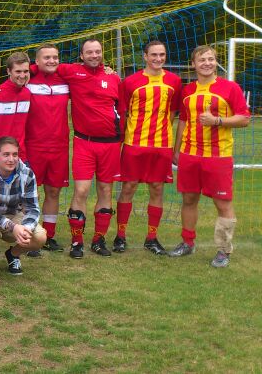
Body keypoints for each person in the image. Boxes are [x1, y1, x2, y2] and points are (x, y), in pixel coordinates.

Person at [170, 45, 250, 267]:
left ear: (216, 62)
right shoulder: (187, 90)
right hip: (189, 154)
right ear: (193, 64)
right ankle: (187, 243)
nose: (207, 63)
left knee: (222, 203)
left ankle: (224, 250)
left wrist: (218, 121)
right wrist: (177, 150)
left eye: (211, 59)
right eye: (202, 59)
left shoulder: (230, 88)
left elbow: (244, 118)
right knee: (188, 199)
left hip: (218, 156)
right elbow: (183, 121)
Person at [115, 41, 182, 255]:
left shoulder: (174, 81)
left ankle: (151, 238)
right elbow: (124, 113)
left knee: (157, 189)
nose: (158, 58)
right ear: (145, 56)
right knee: (128, 188)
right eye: (153, 54)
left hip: (161, 145)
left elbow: (172, 113)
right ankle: (120, 235)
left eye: (162, 54)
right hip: (135, 144)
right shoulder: (130, 82)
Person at [58, 39, 121, 259]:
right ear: (82, 56)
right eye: (89, 52)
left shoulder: (113, 78)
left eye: (97, 51)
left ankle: (99, 239)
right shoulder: (72, 72)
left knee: (105, 190)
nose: (94, 55)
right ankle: (77, 242)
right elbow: (42, 66)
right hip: (84, 142)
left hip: (111, 145)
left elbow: (121, 109)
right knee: (82, 190)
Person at [0, 136, 46, 277]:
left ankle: (13, 255)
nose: (11, 159)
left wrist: (26, 228)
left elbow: (33, 208)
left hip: (11, 213)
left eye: (15, 154)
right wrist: (13, 226)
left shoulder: (27, 173)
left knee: (39, 237)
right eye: (6, 154)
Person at [24, 44, 69, 253]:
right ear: (37, 61)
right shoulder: (28, 79)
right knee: (31, 194)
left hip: (59, 147)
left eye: (55, 57)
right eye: (47, 58)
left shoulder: (65, 80)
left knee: (53, 191)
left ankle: (49, 236)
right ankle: (31, 236)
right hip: (34, 146)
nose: (52, 61)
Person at [0, 52, 32, 161]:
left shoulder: (27, 94)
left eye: (26, 71)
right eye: (18, 71)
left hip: (21, 157)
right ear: (8, 71)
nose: (22, 75)